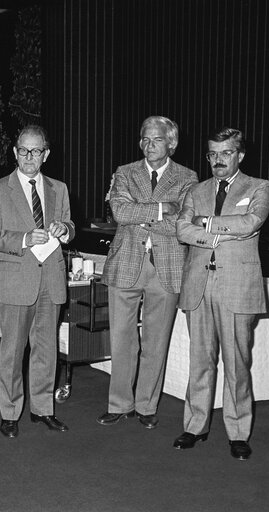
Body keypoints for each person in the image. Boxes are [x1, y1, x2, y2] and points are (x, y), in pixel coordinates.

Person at [173, 127, 269, 460]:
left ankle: (238, 431)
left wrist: (208, 223)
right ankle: (195, 426)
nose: (218, 160)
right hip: (198, 286)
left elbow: (251, 222)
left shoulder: (258, 186)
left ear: (240, 155)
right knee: (200, 361)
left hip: (237, 287)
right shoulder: (196, 190)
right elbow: (182, 229)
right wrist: (216, 235)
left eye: (226, 153)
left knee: (237, 363)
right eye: (212, 154)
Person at [97, 116, 198, 429]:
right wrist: (161, 208)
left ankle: (146, 406)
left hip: (166, 267)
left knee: (156, 342)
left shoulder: (188, 177)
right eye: (144, 139)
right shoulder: (124, 172)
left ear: (172, 143)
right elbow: (119, 212)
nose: (148, 145)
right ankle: (119, 403)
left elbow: (182, 224)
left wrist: (143, 215)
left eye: (156, 140)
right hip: (125, 264)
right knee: (122, 341)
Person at [0, 124, 75, 437]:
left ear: (45, 154)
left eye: (36, 151)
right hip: (16, 280)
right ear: (14, 152)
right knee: (12, 352)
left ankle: (43, 409)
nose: (29, 156)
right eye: (23, 150)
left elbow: (71, 226)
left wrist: (65, 229)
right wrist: (23, 238)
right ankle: (9, 412)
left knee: (46, 351)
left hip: (51, 278)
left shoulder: (58, 189)